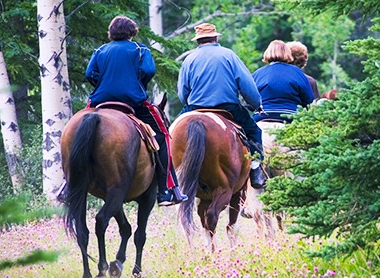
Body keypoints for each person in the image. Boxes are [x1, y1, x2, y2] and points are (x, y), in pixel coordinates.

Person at [85, 15, 187, 206]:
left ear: (111, 32)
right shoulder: (141, 50)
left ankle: (67, 182)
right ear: (132, 32)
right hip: (133, 101)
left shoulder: (100, 50)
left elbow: (89, 73)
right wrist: (137, 83)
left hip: (101, 100)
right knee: (162, 135)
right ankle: (166, 190)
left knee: (76, 130)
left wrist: (102, 84)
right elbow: (149, 71)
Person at [177, 22, 267, 189]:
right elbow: (246, 85)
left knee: (171, 134)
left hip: (195, 107)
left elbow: (183, 93)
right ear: (216, 37)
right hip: (228, 108)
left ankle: (169, 176)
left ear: (198, 41)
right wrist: (256, 104)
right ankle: (256, 169)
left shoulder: (189, 59)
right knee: (254, 131)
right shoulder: (229, 55)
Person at [252, 40, 314, 123]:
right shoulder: (297, 72)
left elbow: (250, 99)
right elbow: (308, 100)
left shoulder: (257, 74)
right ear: (287, 53)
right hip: (290, 117)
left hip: (262, 116)